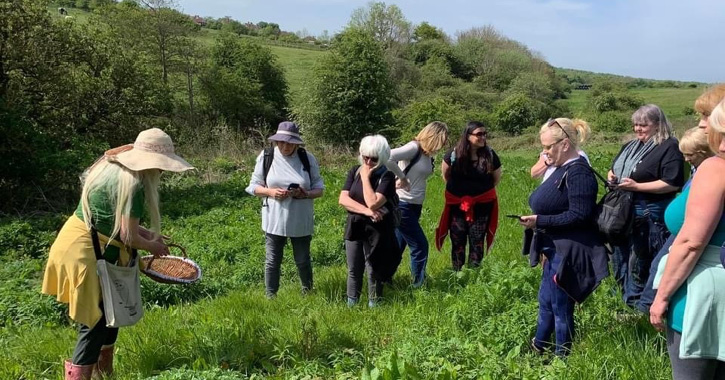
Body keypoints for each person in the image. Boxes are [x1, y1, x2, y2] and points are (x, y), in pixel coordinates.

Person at [42, 128, 193, 380]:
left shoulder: (111, 168)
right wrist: (153, 246)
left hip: (79, 243)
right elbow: (128, 237)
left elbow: (118, 221)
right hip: (86, 252)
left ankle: (104, 373)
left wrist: (147, 235)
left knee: (110, 315)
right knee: (95, 322)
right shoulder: (133, 185)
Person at [518, 117, 607, 357]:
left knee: (560, 306)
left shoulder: (579, 173)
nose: (544, 153)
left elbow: (579, 215)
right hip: (553, 248)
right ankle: (538, 348)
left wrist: (541, 221)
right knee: (546, 301)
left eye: (548, 147)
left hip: (568, 251)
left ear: (565, 144)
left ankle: (562, 358)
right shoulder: (560, 168)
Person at [650, 99, 725, 379]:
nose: (722, 145)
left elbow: (691, 242)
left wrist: (661, 297)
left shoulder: (716, 169)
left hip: (704, 293)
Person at [608, 104, 684, 308]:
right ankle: (623, 296)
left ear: (658, 125)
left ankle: (639, 305)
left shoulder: (669, 147)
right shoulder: (631, 146)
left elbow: (672, 182)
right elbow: (613, 167)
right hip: (625, 210)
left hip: (650, 211)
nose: (638, 129)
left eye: (643, 125)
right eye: (635, 125)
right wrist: (612, 176)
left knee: (640, 260)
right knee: (621, 255)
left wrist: (637, 186)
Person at [635, 127, 714, 314]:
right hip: (680, 232)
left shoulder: (711, 174)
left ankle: (651, 307)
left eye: (690, 155)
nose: (686, 159)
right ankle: (647, 309)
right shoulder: (697, 169)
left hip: (690, 236)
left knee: (662, 266)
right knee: (657, 265)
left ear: (703, 152)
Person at [246, 121, 325, 298]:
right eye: (281, 142)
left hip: (300, 219)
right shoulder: (267, 156)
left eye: (289, 142)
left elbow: (319, 189)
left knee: (303, 260)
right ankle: (271, 296)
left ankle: (308, 292)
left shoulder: (307, 158)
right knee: (272, 261)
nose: (285, 146)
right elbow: (253, 187)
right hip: (274, 220)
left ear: (297, 143)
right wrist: (271, 192)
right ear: (276, 141)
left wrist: (304, 194)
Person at [384, 121, 449, 287]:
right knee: (420, 245)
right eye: (443, 139)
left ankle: (383, 279)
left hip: (415, 205)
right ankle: (419, 283)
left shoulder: (426, 154)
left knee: (399, 245)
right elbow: (388, 156)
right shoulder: (413, 147)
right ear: (435, 136)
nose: (444, 144)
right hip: (402, 204)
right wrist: (401, 177)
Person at [339, 135, 401, 307]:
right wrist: (368, 211)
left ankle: (375, 304)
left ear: (382, 157)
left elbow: (373, 201)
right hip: (355, 225)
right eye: (364, 157)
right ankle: (352, 304)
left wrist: (366, 178)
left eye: (373, 158)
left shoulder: (387, 177)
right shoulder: (354, 171)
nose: (367, 162)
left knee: (374, 268)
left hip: (377, 230)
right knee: (353, 269)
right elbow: (343, 200)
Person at [435, 121, 501, 270]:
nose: (483, 137)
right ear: (468, 136)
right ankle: (457, 272)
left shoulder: (490, 155)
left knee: (477, 240)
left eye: (485, 134)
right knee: (457, 239)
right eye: (479, 134)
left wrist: (476, 194)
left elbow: (496, 179)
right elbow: (446, 175)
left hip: (482, 207)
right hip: (457, 207)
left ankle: (474, 273)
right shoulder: (453, 155)